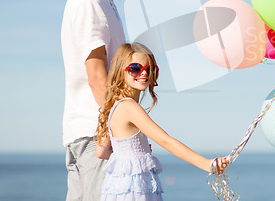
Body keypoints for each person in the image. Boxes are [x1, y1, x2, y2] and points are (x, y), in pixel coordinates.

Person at [95, 42, 230, 200]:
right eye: (135, 68)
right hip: (135, 191)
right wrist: (207, 164)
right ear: (120, 71)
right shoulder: (129, 107)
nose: (144, 73)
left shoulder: (113, 107)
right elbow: (165, 141)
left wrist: (134, 150)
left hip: (119, 189)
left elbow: (101, 152)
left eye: (150, 69)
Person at [61, 0, 127, 200]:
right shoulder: (88, 2)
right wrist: (123, 128)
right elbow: (97, 77)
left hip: (86, 133)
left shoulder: (102, 1)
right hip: (98, 136)